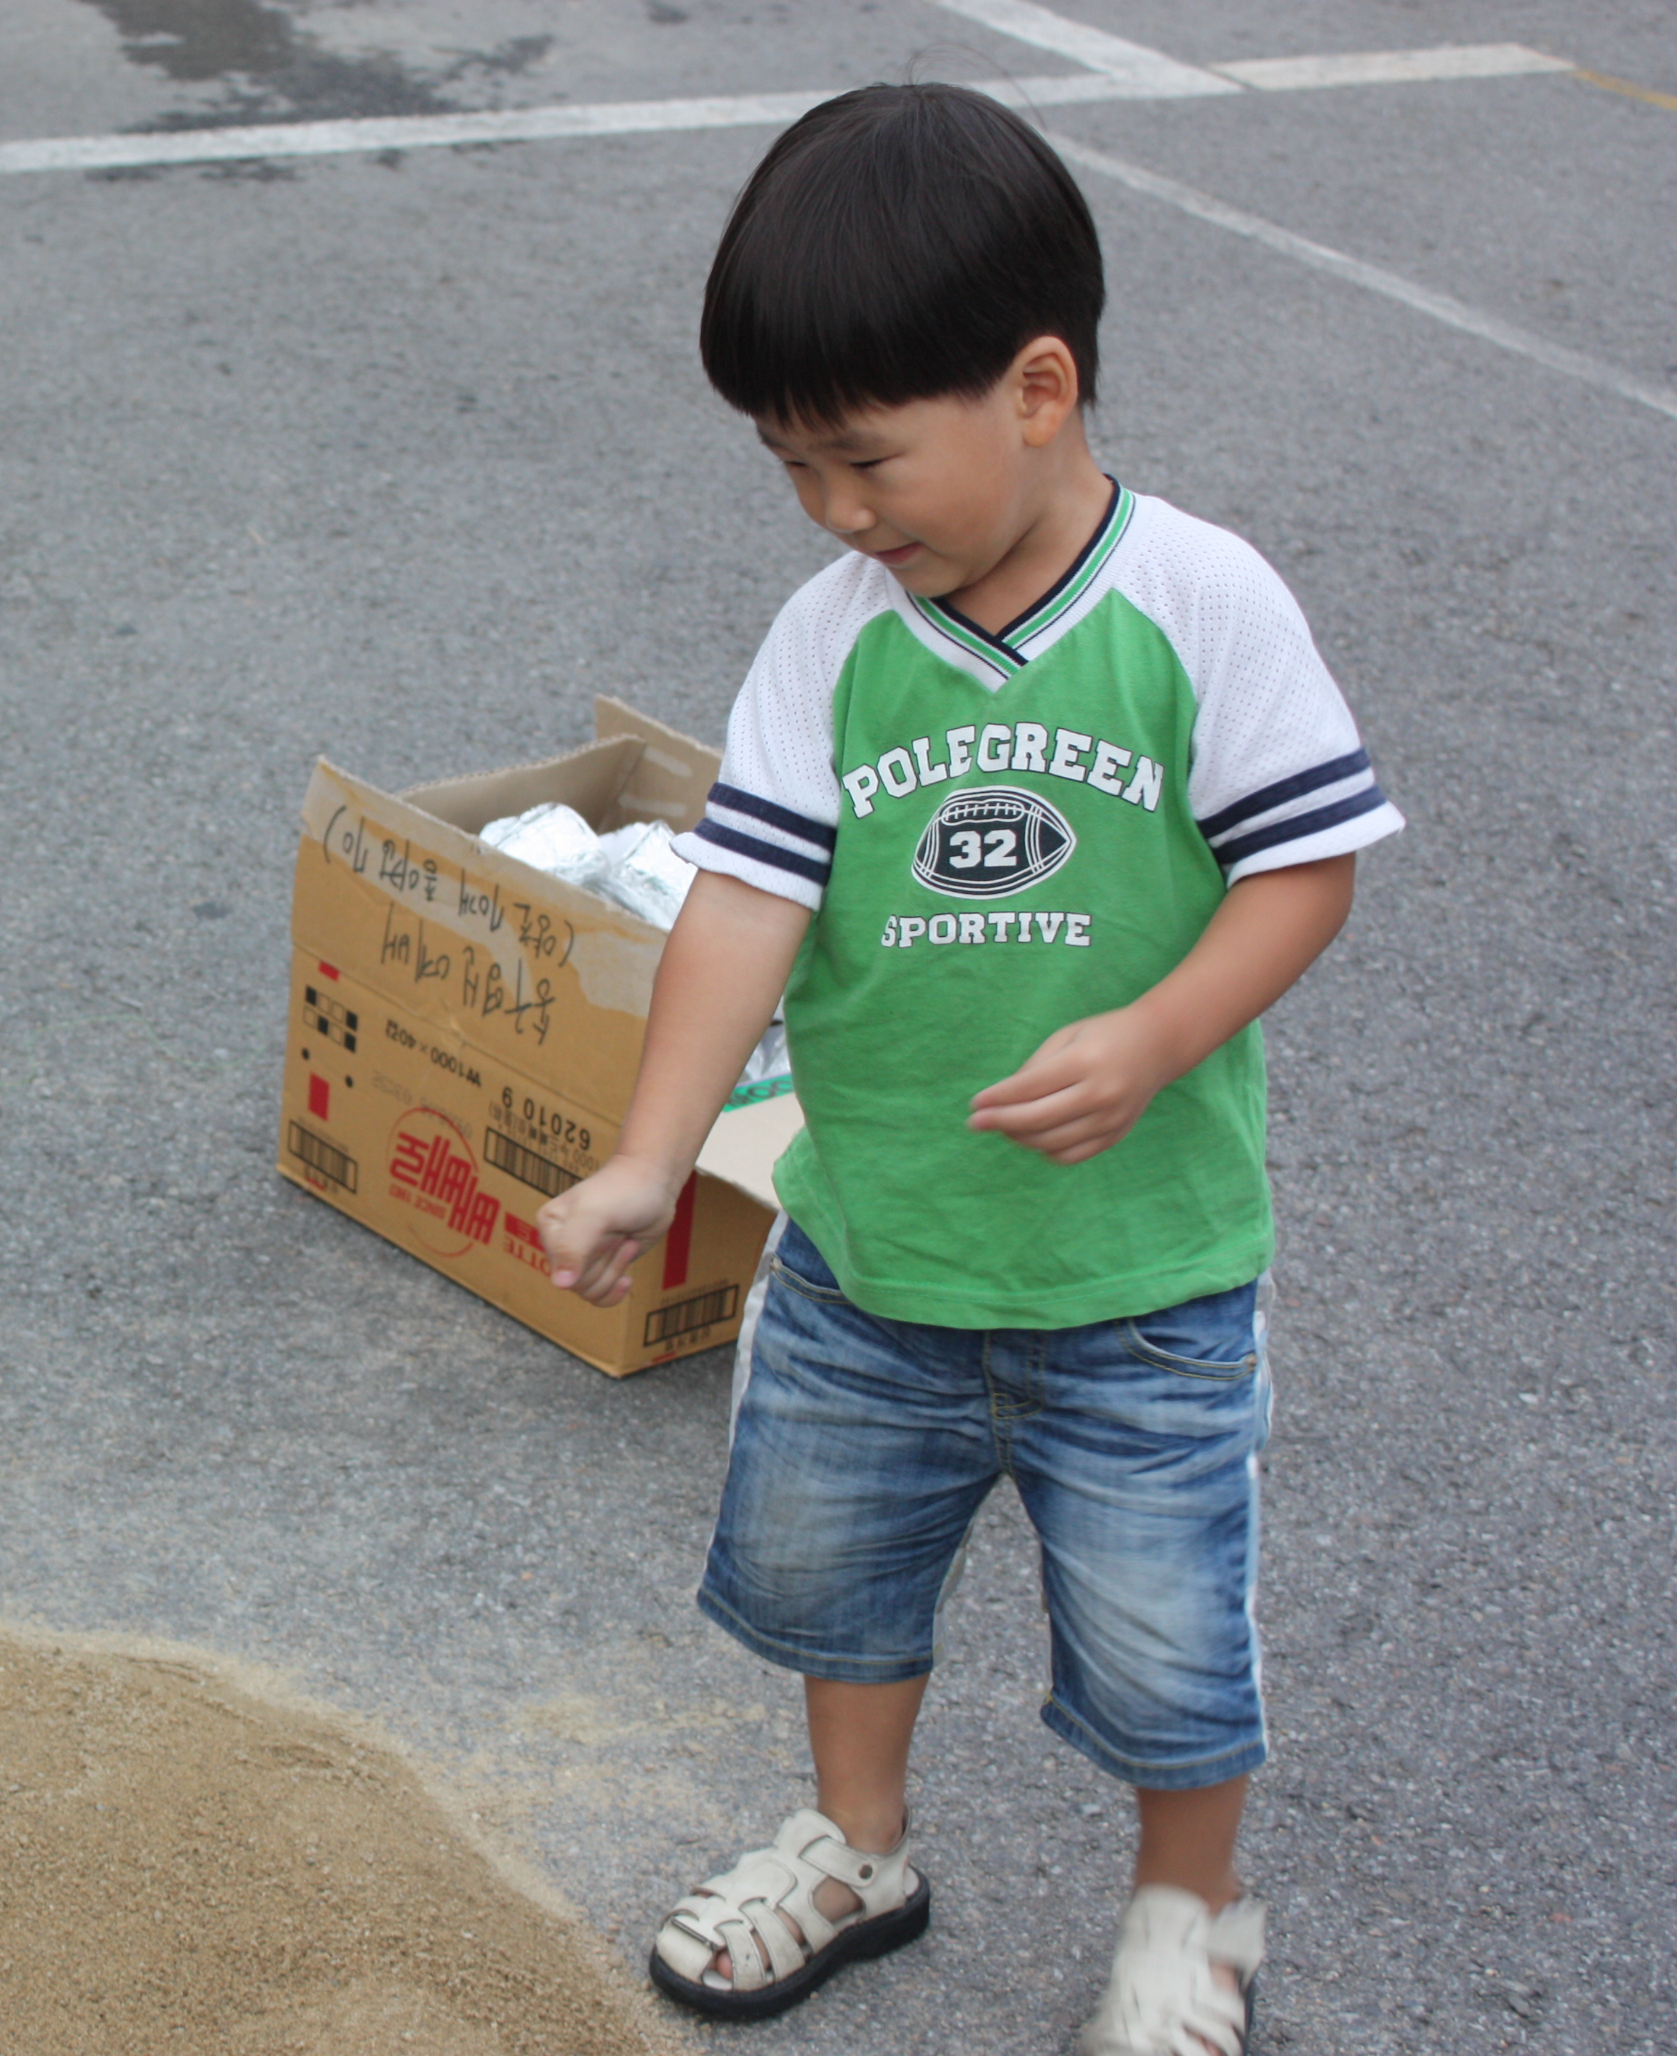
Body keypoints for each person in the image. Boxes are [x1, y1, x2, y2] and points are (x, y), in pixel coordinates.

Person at [534, 83, 1401, 2056]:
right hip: (872, 1250)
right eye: (790, 466)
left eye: (861, 458)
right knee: (834, 1582)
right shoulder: (828, 640)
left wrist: (1155, 1033)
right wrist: (649, 1155)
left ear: (1033, 388)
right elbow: (743, 902)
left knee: (1166, 1640)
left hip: (1138, 1281)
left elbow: (1304, 867)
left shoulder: (1198, 604)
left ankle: (1184, 1916)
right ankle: (854, 1848)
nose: (835, 512)